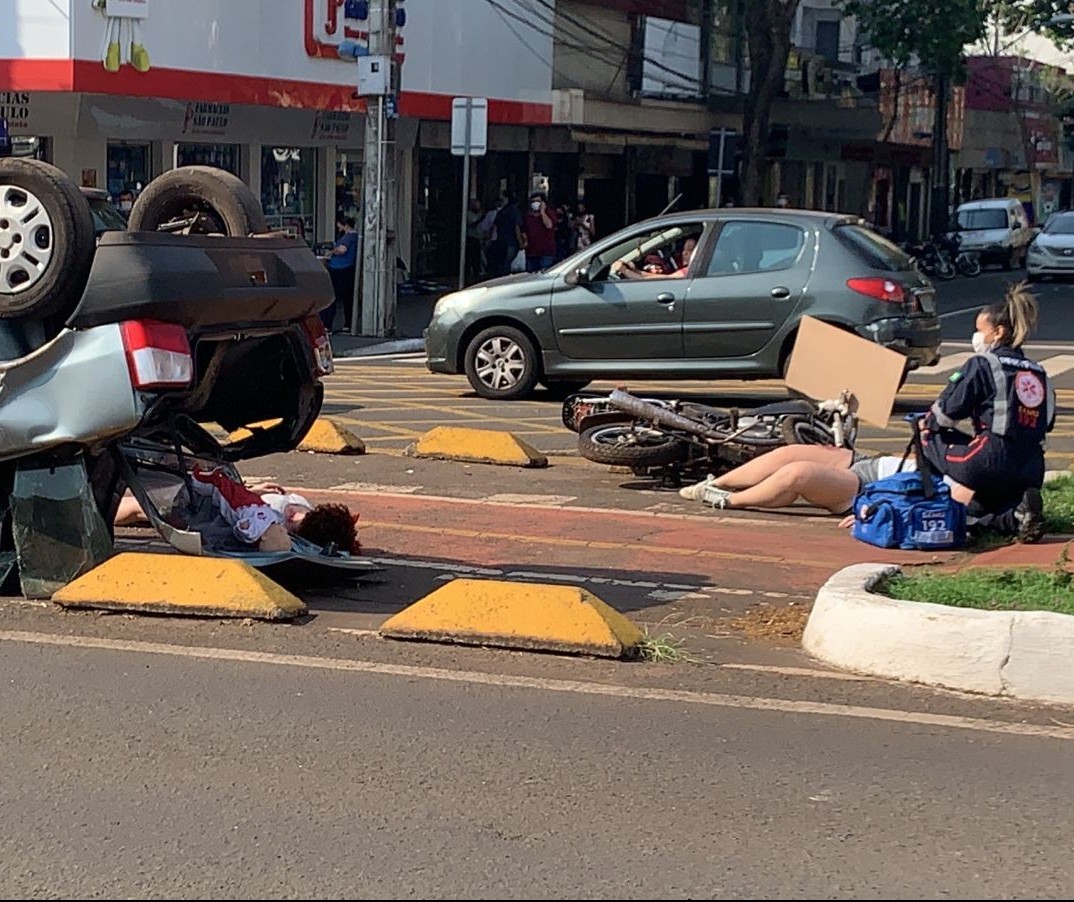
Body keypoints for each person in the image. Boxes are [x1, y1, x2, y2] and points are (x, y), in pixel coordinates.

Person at [679, 283, 1053, 543]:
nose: (976, 337)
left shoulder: (973, 474)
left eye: (980, 331)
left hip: (880, 486)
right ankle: (715, 483)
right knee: (788, 453)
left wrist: (877, 507)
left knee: (799, 473)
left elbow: (946, 413)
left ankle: (727, 499)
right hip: (887, 464)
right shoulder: (1035, 375)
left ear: (998, 332)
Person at [114, 468, 360, 554]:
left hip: (212, 508)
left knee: (144, 507)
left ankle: (105, 506)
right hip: (216, 501)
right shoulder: (299, 514)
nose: (293, 518)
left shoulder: (293, 519)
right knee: (145, 504)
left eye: (295, 523)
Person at [325, 216, 359, 333]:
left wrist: (332, 251)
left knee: (332, 297)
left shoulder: (348, 237)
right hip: (348, 268)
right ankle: (348, 323)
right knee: (347, 299)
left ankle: (327, 324)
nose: (337, 227)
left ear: (345, 225)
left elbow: (342, 250)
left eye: (339, 225)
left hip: (340, 269)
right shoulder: (356, 237)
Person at [612, 237, 697, 280]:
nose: (684, 253)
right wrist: (636, 271)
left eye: (690, 250)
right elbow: (663, 277)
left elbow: (666, 280)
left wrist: (626, 272)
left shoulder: (691, 271)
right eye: (684, 249)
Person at [521, 192, 558, 273]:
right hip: (531, 252)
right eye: (533, 202)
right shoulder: (527, 216)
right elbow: (523, 230)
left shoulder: (549, 213)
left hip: (546, 252)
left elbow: (549, 225)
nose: (535, 204)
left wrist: (542, 212)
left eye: (537, 201)